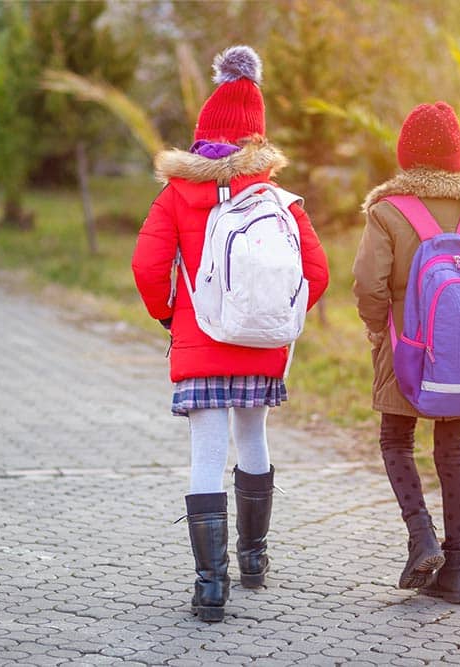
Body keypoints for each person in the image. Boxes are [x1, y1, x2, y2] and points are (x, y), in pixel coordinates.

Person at [132, 45, 329, 622]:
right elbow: (315, 273)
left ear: (202, 135)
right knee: (255, 441)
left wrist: (170, 315)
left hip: (200, 343)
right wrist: (275, 319)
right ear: (258, 139)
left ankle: (209, 587)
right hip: (261, 347)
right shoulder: (278, 199)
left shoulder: (176, 194)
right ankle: (255, 558)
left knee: (206, 453)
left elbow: (147, 268)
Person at [352, 102, 460, 603]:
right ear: (455, 155)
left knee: (396, 441)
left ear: (406, 156)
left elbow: (367, 284)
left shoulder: (387, 211)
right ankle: (459, 572)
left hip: (407, 348)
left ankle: (421, 535)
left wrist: (378, 330)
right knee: (453, 453)